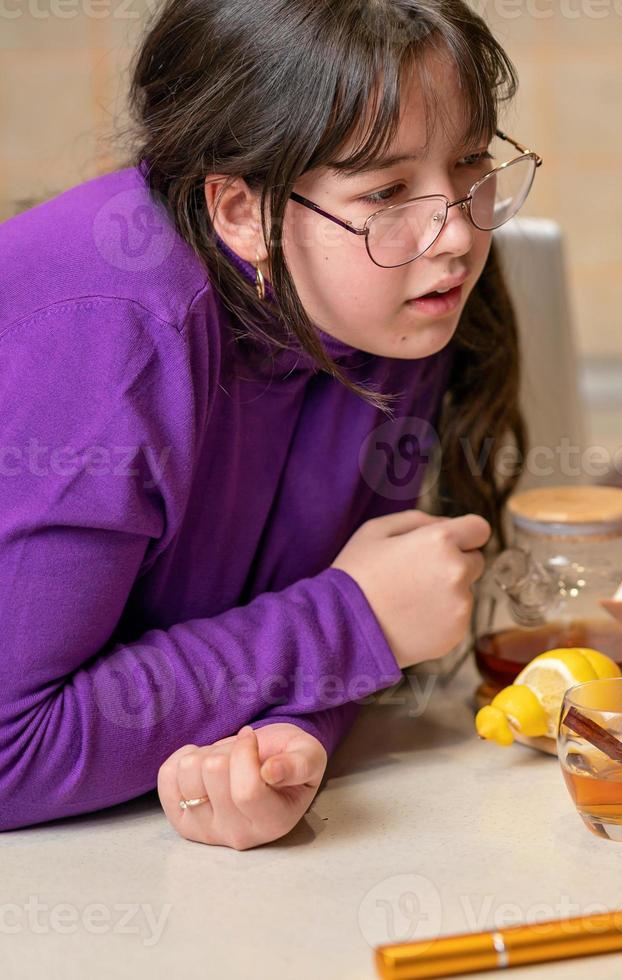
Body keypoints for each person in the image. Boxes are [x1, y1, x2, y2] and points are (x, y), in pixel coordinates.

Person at [0, 0, 536, 849]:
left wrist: (290, 742)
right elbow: (10, 752)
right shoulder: (112, 339)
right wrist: (353, 624)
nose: (458, 233)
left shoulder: (387, 293)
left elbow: (319, 608)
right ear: (241, 212)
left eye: (471, 164)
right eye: (387, 190)